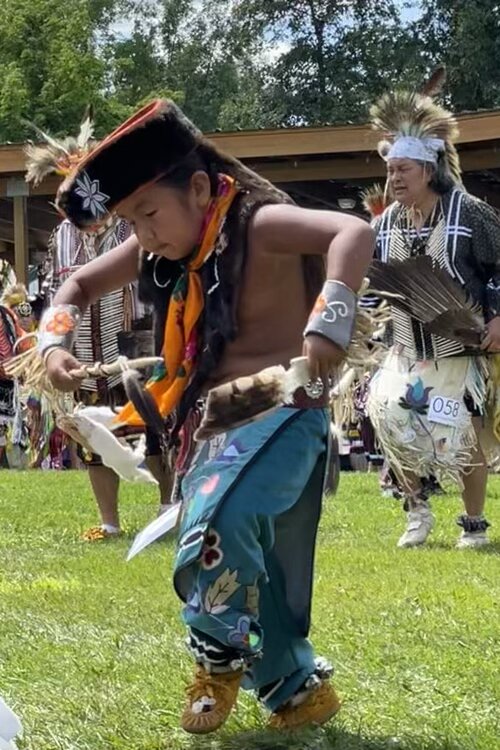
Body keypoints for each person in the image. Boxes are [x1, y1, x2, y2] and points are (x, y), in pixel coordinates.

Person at [40, 99, 374, 733]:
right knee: (255, 561)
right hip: (213, 426)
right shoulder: (168, 253)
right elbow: (75, 285)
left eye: (148, 214)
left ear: (198, 188)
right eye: (130, 223)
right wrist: (54, 342)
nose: (144, 235)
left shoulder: (261, 225)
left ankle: (217, 661)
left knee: (221, 526)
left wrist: (329, 320)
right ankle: (297, 690)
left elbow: (350, 232)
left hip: (284, 405)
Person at [366, 71, 500, 549]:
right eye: (390, 169)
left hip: (459, 350)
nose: (394, 178)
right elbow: (373, 281)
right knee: (388, 416)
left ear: (428, 169)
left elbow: (499, 267)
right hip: (406, 347)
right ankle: (417, 513)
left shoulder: (470, 213)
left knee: (455, 429)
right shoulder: (386, 225)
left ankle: (474, 524)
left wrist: (498, 314)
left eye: (403, 169)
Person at [25, 118, 174, 539]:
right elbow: (62, 291)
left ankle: (167, 506)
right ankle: (110, 520)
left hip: (139, 340)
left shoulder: (134, 226)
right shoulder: (61, 238)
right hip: (83, 351)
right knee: (90, 431)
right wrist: (52, 344)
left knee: (154, 424)